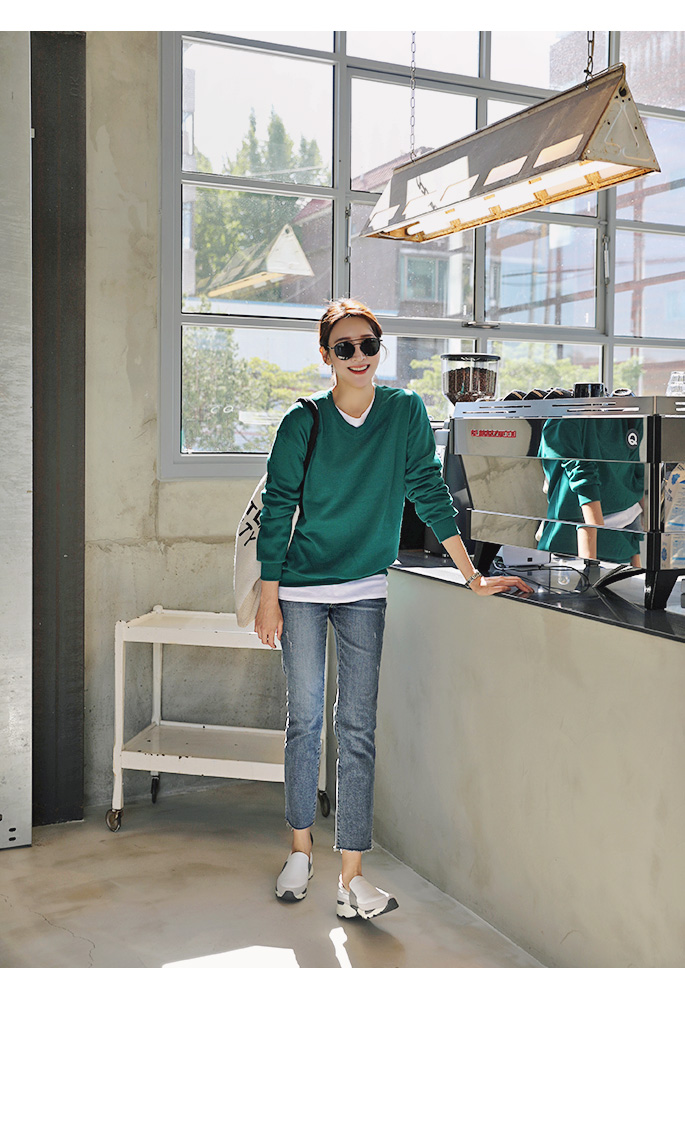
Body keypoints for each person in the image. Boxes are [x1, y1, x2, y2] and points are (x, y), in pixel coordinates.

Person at [255, 299, 531, 921]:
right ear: (325, 356)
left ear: (380, 349)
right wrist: (269, 596)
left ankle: (352, 878)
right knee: (305, 721)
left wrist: (472, 574)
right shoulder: (302, 421)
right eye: (345, 347)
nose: (359, 357)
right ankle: (299, 850)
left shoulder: (404, 411)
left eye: (369, 344)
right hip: (300, 588)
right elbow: (278, 509)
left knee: (357, 728)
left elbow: (428, 490)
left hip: (363, 589)